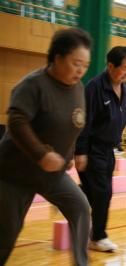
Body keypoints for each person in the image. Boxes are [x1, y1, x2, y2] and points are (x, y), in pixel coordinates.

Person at [0, 28, 91, 266]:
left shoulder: (78, 88)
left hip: (52, 173)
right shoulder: (33, 85)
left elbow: (73, 123)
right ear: (57, 57)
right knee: (6, 233)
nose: (81, 70)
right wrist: (41, 154)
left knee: (80, 208)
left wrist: (69, 155)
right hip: (15, 173)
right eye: (76, 63)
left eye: (85, 65)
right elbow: (17, 122)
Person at [74, 46, 126, 252]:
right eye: (125, 68)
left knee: (98, 193)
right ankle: (98, 237)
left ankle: (72, 197)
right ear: (111, 66)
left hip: (109, 151)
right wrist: (81, 152)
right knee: (103, 194)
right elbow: (84, 122)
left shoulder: (125, 89)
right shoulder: (94, 88)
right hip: (93, 150)